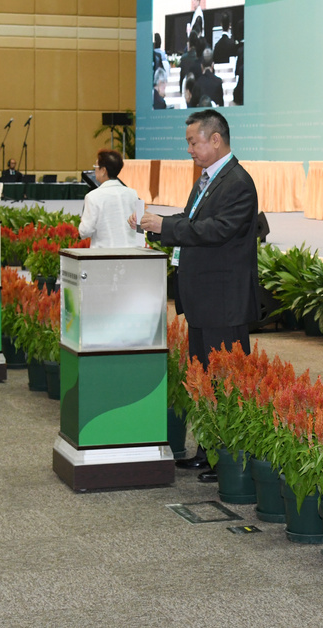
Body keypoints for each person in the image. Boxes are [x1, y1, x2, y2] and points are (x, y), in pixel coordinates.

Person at [133, 109, 260, 479]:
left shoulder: (238, 182)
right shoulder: (208, 179)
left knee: (226, 382)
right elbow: (191, 221)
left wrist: (166, 226)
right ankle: (209, 451)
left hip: (224, 302)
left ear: (215, 139)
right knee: (204, 379)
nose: (188, 149)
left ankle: (230, 460)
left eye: (193, 142)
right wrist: (154, 225)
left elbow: (216, 230)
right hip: (204, 300)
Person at [78, 150, 144, 249]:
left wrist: (82, 221)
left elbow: (85, 232)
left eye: (96, 167)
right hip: (132, 252)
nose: (94, 170)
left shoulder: (92, 197)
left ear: (103, 170)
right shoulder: (133, 194)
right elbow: (140, 229)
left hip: (105, 253)